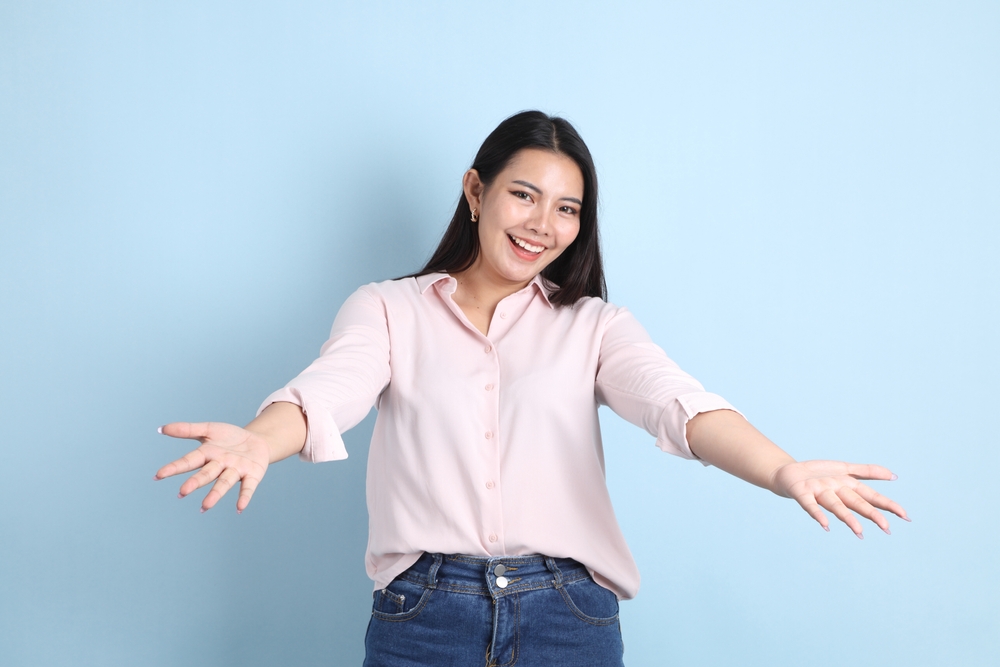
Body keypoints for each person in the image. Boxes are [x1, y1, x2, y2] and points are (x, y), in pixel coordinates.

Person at [154, 110, 909, 667]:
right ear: (475, 191)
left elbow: (678, 403)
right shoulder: (387, 308)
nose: (543, 224)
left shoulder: (595, 326)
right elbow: (329, 389)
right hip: (423, 615)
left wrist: (783, 469)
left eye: (568, 208)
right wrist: (261, 437)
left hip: (567, 615)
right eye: (524, 195)